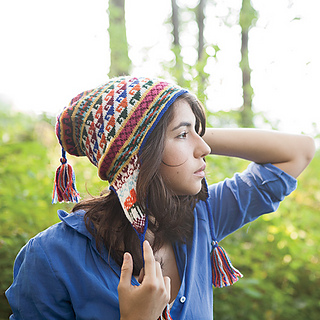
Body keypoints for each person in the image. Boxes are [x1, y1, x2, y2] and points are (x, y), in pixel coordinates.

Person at [6, 76, 315, 320]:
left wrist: (185, 127)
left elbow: (298, 151)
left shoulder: (202, 216)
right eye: (183, 136)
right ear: (138, 159)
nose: (204, 148)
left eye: (199, 133)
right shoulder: (51, 257)